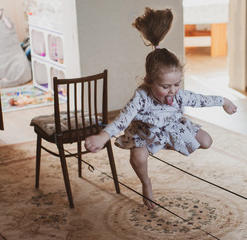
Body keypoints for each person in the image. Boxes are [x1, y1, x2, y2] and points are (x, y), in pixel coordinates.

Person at [84, 7, 237, 209]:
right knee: (137, 157)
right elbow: (123, 119)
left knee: (206, 142)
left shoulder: (179, 94)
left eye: (176, 84)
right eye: (165, 87)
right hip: (146, 131)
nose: (172, 91)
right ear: (149, 81)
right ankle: (146, 184)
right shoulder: (141, 97)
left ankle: (166, 142)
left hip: (172, 126)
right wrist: (102, 136)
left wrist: (224, 101)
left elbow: (201, 99)